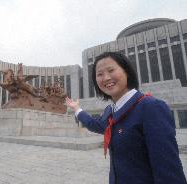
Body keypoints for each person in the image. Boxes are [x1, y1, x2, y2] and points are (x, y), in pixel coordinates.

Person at [65, 52, 186, 184]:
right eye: (99, 74)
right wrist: (77, 109)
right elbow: (95, 124)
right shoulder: (111, 111)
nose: (105, 78)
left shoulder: (150, 107)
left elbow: (168, 171)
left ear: (126, 71)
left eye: (111, 70)